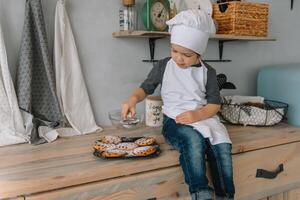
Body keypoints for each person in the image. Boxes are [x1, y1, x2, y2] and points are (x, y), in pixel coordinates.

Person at [122, 9, 235, 200]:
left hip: (204, 118)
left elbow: (214, 105)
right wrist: (132, 99)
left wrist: (197, 116)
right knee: (193, 141)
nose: (179, 58)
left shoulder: (209, 72)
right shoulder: (164, 66)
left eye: (187, 54)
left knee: (222, 147)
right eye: (174, 50)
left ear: (199, 54)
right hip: (175, 120)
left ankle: (226, 195)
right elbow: (145, 88)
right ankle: (201, 193)